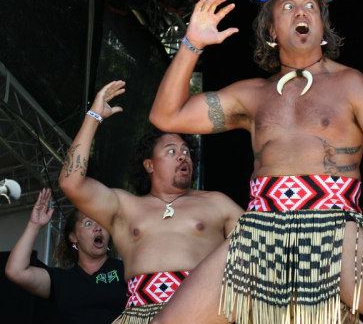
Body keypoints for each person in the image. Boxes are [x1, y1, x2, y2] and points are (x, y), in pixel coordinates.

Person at [148, 0, 363, 324]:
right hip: (259, 230)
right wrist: (192, 44)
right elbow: (166, 115)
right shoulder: (251, 95)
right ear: (271, 31)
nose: (302, 11)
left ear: (323, 29)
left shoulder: (354, 86)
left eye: (311, 6)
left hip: (334, 227)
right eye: (289, 7)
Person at [57, 80, 245, 323]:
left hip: (202, 313)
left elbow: (260, 242)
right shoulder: (125, 206)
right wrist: (94, 116)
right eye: (171, 151)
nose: (181, 155)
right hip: (140, 315)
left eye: (186, 151)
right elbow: (70, 182)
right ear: (149, 165)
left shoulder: (216, 203)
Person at [5, 188, 127, 324]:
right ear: (74, 237)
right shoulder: (61, 280)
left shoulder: (126, 270)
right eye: (88, 223)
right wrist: (34, 225)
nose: (98, 227)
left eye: (102, 223)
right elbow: (16, 271)